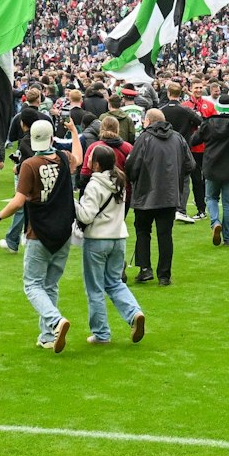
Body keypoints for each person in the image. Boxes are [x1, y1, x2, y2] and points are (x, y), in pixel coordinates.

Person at [0, 120, 77, 352]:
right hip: (63, 230)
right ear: (51, 138)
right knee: (51, 284)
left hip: (39, 230)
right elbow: (78, 157)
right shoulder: (64, 158)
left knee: (32, 284)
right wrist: (75, 132)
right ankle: (48, 335)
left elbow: (18, 202)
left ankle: (55, 321)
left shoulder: (30, 164)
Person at [75, 144, 146, 342]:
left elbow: (87, 216)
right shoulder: (120, 181)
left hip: (97, 239)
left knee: (95, 287)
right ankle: (134, 313)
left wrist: (73, 205)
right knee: (114, 282)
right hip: (118, 237)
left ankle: (101, 333)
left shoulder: (94, 185)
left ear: (96, 164)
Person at [128, 109, 190, 285]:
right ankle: (164, 275)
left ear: (148, 120)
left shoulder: (144, 138)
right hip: (169, 195)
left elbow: (132, 165)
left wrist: (135, 179)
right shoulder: (178, 138)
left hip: (146, 193)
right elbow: (189, 164)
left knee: (142, 231)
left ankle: (145, 269)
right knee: (164, 234)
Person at [197, 99, 229, 245]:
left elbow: (195, 140)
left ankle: (215, 222)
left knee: (211, 198)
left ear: (217, 107)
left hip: (212, 166)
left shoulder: (208, 123)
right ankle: (228, 237)